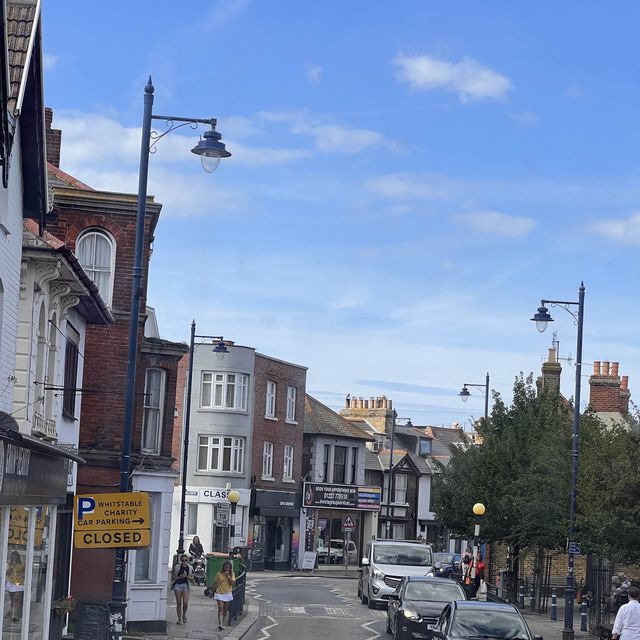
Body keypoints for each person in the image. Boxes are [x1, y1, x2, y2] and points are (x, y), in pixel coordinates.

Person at [171, 554, 193, 624]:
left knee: (185, 603)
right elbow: (173, 577)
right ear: (181, 561)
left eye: (186, 560)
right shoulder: (177, 567)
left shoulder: (190, 568)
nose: (184, 562)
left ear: (187, 561)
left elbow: (192, 579)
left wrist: (186, 576)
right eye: (183, 560)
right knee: (179, 602)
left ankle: (184, 615)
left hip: (185, 586)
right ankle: (179, 618)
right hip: (178, 585)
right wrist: (180, 577)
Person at [214, 560, 236, 631]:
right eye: (225, 567)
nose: (227, 569)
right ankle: (220, 624)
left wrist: (228, 577)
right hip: (219, 592)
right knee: (220, 608)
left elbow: (232, 583)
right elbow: (215, 582)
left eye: (228, 568)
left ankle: (222, 622)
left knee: (225, 610)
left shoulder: (232, 574)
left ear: (230, 568)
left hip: (227, 592)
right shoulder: (219, 574)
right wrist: (213, 590)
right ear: (223, 568)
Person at [5, 551, 25, 622]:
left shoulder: (22, 564)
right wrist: (11, 567)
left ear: (18, 557)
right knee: (12, 599)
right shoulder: (9, 564)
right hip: (11, 583)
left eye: (16, 556)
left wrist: (22, 575)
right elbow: (6, 573)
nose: (14, 558)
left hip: (19, 583)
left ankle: (15, 615)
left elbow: (25, 572)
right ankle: (13, 613)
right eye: (13, 556)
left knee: (17, 598)